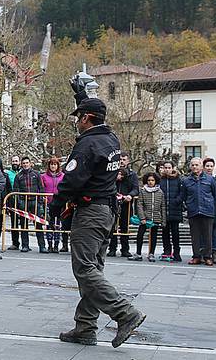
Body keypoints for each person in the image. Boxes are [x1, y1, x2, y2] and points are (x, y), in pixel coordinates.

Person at [49, 97, 145, 348]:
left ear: (86, 118)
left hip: (90, 212)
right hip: (107, 210)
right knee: (93, 269)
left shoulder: (87, 144)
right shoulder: (110, 139)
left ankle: (125, 313)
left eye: (78, 117)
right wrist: (82, 97)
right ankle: (85, 327)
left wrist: (56, 205)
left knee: (84, 269)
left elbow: (72, 180)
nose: (76, 123)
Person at [181, 157, 216, 266]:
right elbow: (184, 196)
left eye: (197, 165)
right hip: (193, 210)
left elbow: (214, 195)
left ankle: (208, 257)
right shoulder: (186, 180)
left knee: (208, 235)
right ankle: (196, 256)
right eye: (192, 165)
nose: (194, 167)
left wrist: (213, 208)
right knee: (195, 235)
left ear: (201, 166)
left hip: (207, 210)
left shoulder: (210, 179)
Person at [129, 172, 166, 262]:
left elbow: (163, 207)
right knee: (140, 235)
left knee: (153, 236)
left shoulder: (160, 192)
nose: (150, 182)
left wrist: (163, 220)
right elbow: (139, 205)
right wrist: (142, 218)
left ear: (156, 181)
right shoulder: (143, 191)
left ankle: (151, 253)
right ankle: (138, 253)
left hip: (155, 218)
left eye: (152, 180)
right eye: (149, 180)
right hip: (145, 218)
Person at [12, 156, 46, 253]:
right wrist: (19, 202)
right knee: (24, 224)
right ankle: (25, 245)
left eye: (27, 163)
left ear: (30, 163)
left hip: (35, 201)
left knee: (38, 224)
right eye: (24, 163)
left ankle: (42, 246)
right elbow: (16, 190)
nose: (25, 165)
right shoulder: (18, 176)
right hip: (23, 202)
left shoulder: (36, 174)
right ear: (21, 164)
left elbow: (41, 188)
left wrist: (40, 200)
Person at [108, 152, 138, 258]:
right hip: (113, 204)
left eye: (124, 159)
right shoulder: (111, 173)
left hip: (126, 205)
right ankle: (112, 248)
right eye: (120, 159)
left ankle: (125, 249)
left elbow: (135, 188)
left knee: (125, 227)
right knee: (112, 227)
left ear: (128, 161)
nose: (122, 161)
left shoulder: (132, 174)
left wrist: (130, 195)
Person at [40, 157, 65, 253]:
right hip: (48, 202)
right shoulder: (43, 176)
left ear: (58, 165)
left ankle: (56, 245)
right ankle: (49, 244)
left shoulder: (62, 176)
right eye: (51, 164)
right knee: (49, 224)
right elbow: (41, 189)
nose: (53, 166)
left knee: (58, 224)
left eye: (55, 164)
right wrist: (43, 198)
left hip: (59, 203)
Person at [160, 161, 183, 262]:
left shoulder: (178, 179)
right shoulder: (161, 180)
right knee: (165, 233)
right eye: (165, 167)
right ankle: (167, 251)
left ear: (173, 168)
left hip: (175, 209)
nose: (167, 169)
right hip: (164, 210)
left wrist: (176, 201)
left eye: (169, 167)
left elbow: (182, 193)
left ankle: (177, 252)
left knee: (175, 233)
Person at [6, 155, 23, 250]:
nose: (15, 163)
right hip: (12, 199)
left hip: (23, 199)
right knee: (14, 222)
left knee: (24, 222)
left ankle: (25, 243)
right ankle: (15, 242)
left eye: (16, 161)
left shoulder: (22, 172)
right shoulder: (8, 173)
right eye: (13, 161)